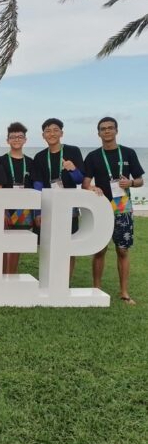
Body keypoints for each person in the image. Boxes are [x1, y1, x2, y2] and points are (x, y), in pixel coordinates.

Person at [83, 117, 144, 305]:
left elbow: (140, 180)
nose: (107, 131)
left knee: (123, 250)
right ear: (98, 133)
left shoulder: (128, 153)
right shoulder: (93, 156)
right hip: (101, 207)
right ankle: (96, 289)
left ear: (116, 131)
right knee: (99, 249)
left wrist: (131, 182)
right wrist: (92, 188)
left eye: (110, 128)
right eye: (103, 129)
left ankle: (124, 292)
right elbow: (85, 183)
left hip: (123, 207)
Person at [32, 118, 84, 280]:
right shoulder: (40, 157)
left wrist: (72, 169)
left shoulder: (73, 151)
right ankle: (50, 278)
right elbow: (38, 186)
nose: (52, 133)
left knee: (68, 244)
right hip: (48, 207)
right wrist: (37, 212)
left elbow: (79, 180)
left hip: (69, 207)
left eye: (55, 130)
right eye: (48, 131)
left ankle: (64, 280)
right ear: (43, 135)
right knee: (48, 244)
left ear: (61, 133)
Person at [0, 122, 34, 273]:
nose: (16, 139)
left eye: (20, 137)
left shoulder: (31, 163)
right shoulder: (0, 161)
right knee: (2, 245)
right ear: (7, 140)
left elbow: (34, 188)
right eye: (13, 137)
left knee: (16, 247)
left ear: (25, 139)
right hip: (5, 209)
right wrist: (1, 210)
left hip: (23, 210)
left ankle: (10, 277)